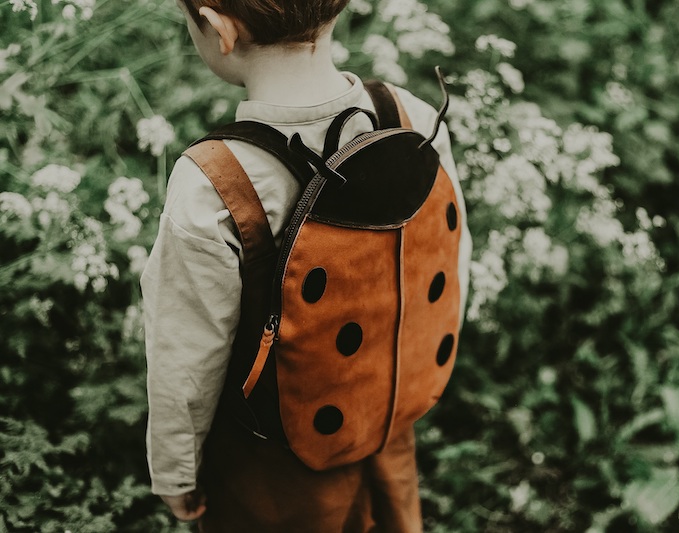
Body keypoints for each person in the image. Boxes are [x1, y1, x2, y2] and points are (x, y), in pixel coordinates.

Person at [140, 0, 472, 530]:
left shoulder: (217, 184)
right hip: (385, 416)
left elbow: (185, 361)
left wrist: (176, 472)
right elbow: (450, 260)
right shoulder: (414, 117)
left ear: (218, 28)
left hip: (272, 466)